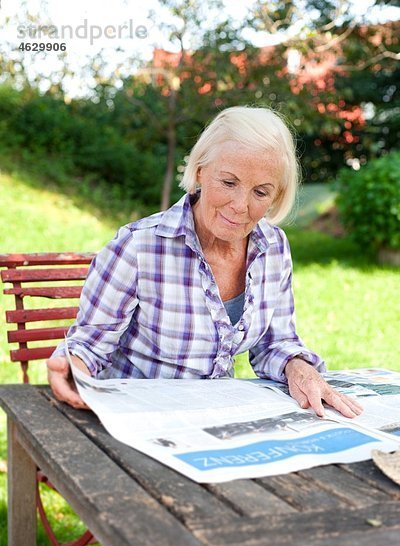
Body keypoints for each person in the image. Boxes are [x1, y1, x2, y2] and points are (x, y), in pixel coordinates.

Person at [47, 105, 363, 420]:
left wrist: (302, 371)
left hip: (218, 420)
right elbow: (91, 344)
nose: (241, 206)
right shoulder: (138, 246)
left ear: (277, 194)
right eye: (228, 182)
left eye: (260, 192)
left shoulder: (274, 247)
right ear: (200, 171)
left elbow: (275, 342)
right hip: (139, 420)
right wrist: (73, 368)